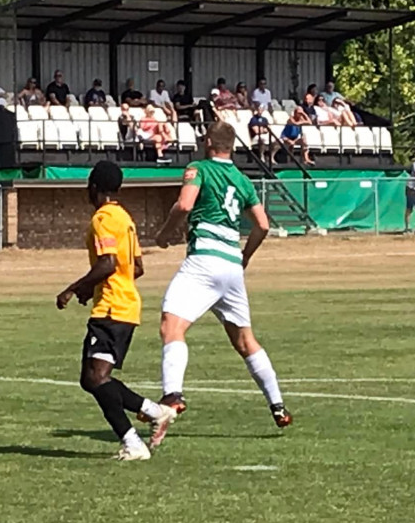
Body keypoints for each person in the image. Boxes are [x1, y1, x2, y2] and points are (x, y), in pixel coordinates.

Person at [150, 121, 293, 446]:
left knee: (171, 327)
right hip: (231, 265)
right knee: (245, 341)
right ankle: (278, 406)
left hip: (204, 261)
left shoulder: (198, 168)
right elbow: (263, 225)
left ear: (211, 143)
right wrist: (245, 257)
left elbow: (185, 204)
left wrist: (165, 233)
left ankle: (172, 397)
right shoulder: (242, 180)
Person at [56, 161, 176, 461]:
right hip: (125, 305)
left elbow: (108, 263)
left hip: (112, 308)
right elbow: (136, 267)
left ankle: (135, 441)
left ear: (93, 187)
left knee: (95, 378)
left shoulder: (103, 219)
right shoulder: (125, 218)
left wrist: (74, 288)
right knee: (93, 378)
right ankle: (153, 412)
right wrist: (91, 287)